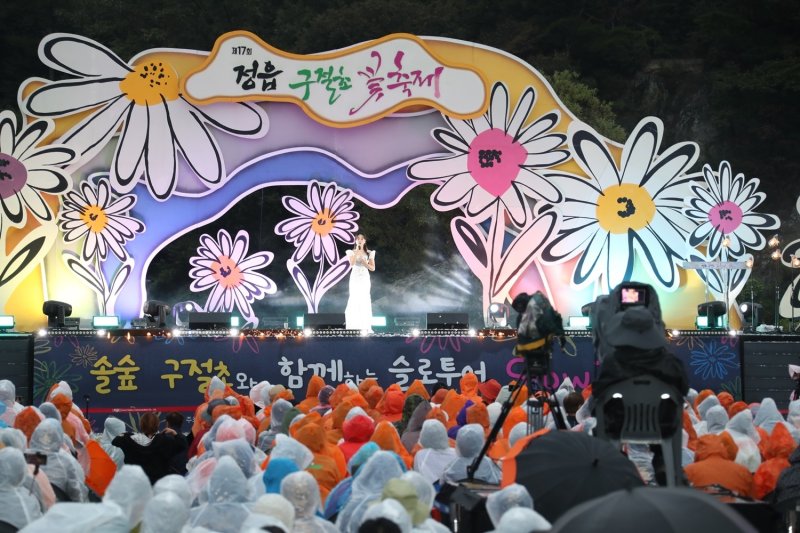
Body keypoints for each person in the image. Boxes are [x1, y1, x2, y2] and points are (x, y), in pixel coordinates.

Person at [345, 233, 376, 332]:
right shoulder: (351, 252)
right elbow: (352, 263)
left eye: (362, 239)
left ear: (365, 241)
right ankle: (353, 326)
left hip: (364, 278)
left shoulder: (370, 253)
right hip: (354, 278)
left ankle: (365, 326)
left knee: (364, 298)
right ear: (355, 241)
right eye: (358, 238)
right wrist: (357, 251)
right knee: (354, 297)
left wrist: (364, 263)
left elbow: (372, 268)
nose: (360, 240)